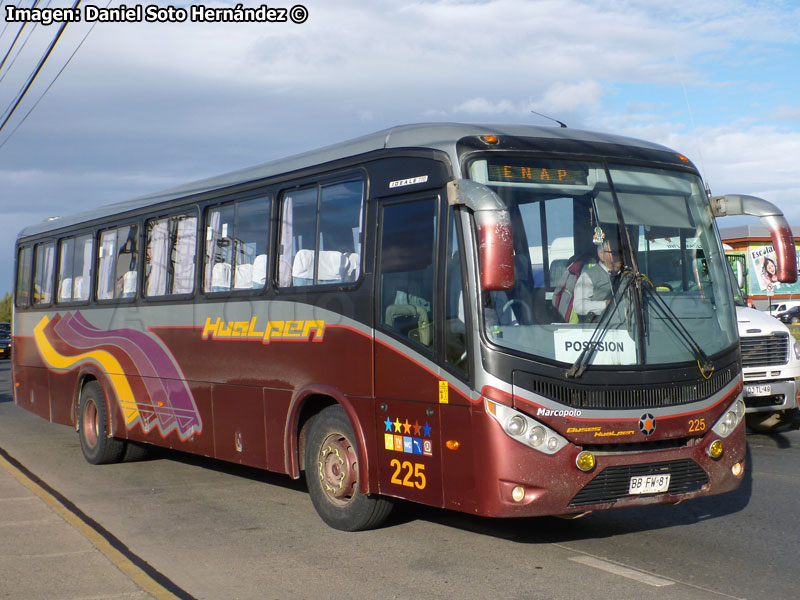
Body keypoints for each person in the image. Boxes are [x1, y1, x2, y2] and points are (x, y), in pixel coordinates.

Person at [573, 237, 622, 322]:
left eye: (621, 252)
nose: (620, 256)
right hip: (599, 329)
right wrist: (605, 304)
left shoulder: (628, 275)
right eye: (615, 253)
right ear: (602, 255)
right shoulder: (588, 276)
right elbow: (579, 306)